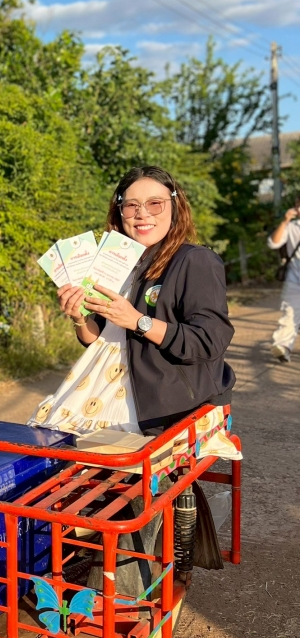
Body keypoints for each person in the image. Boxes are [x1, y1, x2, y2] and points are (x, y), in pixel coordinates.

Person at [31, 165, 235, 436]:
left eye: (155, 203)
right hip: (97, 392)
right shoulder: (116, 261)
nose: (143, 214)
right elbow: (98, 338)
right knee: (41, 444)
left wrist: (138, 321)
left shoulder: (195, 260)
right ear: (119, 211)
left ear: (175, 206)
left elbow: (209, 342)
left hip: (163, 407)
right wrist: (79, 317)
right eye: (131, 205)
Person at [266, 204, 300, 363]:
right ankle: (283, 347)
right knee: (289, 313)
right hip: (295, 277)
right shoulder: (292, 227)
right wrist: (285, 221)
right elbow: (273, 243)